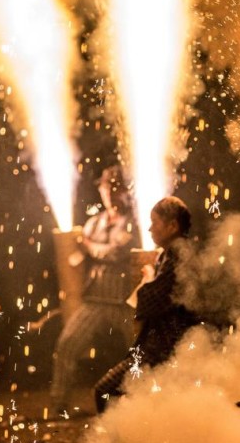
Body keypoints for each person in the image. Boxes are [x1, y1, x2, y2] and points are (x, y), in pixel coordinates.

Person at [93, 196, 198, 413]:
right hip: (163, 344)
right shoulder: (172, 252)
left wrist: (148, 280)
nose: (150, 229)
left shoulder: (178, 253)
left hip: (164, 347)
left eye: (155, 222)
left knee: (104, 390)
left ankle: (114, 442)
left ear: (172, 226)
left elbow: (153, 301)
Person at [47, 166, 137, 415]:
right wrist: (72, 248)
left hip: (123, 303)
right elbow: (77, 257)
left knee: (141, 352)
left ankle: (147, 402)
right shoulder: (94, 222)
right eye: (106, 188)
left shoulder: (132, 223)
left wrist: (86, 246)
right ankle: (59, 404)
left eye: (115, 188)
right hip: (95, 300)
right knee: (67, 345)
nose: (110, 193)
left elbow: (115, 253)